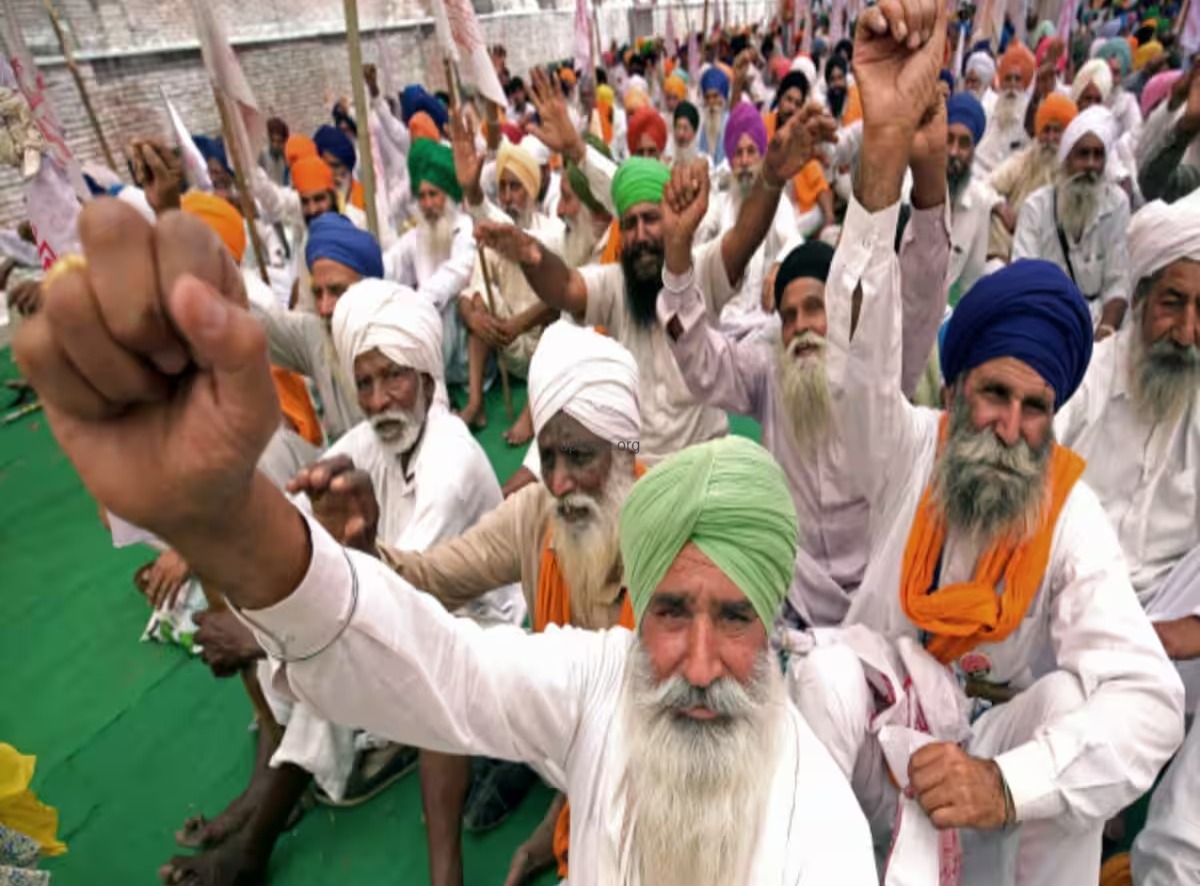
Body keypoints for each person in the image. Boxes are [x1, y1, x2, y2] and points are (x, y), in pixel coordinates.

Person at [14, 214, 883, 882]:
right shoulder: (599, 678)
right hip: (539, 721)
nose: (696, 663)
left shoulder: (826, 835)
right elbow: (438, 656)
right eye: (670, 611)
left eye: (734, 618)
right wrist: (222, 518)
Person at [785, 7, 1184, 882]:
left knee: (1072, 700)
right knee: (823, 676)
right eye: (994, 395)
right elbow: (856, 363)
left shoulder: (1066, 512)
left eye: (1035, 407)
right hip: (881, 743)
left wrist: (1005, 783)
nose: (1010, 426)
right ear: (957, 387)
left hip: (983, 761)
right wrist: (883, 147)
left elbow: (1152, 701)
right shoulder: (907, 448)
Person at [658, 96, 950, 626]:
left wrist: (929, 173)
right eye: (789, 315)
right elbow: (699, 360)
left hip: (880, 593)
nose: (801, 327)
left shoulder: (878, 372)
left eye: (815, 308)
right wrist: (677, 255)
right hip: (793, 595)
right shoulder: (770, 374)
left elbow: (923, 290)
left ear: (841, 314)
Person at [476, 73, 836, 465]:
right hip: (638, 457)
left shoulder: (702, 268)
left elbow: (745, 236)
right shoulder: (616, 283)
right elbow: (565, 287)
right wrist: (532, 257)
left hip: (705, 454)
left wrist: (771, 178)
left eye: (650, 219)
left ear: (671, 220)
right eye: (630, 224)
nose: (640, 234)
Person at [302, 280, 525, 886]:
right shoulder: (374, 439)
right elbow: (319, 501)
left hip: (479, 620)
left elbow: (403, 590)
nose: (378, 400)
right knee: (289, 624)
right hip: (398, 596)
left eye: (393, 377)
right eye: (365, 384)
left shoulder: (451, 461)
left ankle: (444, 871)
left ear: (427, 376)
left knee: (429, 662)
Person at [1054, 191, 1200, 700]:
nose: (1187, 332)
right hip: (1069, 609)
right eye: (1173, 303)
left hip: (1167, 621)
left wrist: (1177, 632)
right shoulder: (1084, 378)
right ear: (1139, 300)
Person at [451, 127, 562, 442]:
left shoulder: (552, 233)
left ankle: (533, 409)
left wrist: (519, 325)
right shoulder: (493, 240)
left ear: (532, 189)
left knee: (561, 316)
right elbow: (468, 292)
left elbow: (556, 300)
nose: (509, 196)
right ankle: (475, 403)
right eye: (503, 187)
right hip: (506, 342)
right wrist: (474, 316)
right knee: (478, 301)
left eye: (516, 186)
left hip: (544, 350)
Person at [252, 212, 384, 441]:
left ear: (371, 289)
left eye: (337, 291)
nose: (324, 308)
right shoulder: (318, 334)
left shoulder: (404, 343)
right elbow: (252, 324)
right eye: (317, 293)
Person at [1012, 105, 1131, 335]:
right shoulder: (1036, 207)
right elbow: (1023, 276)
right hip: (1044, 318)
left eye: (1098, 155)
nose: (1090, 165)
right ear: (1066, 158)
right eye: (1083, 154)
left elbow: (1118, 283)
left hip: (1098, 322)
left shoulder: (1117, 205)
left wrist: (1106, 330)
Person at [694, 101, 799, 340]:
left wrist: (778, 265)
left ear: (761, 157)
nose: (744, 161)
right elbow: (700, 246)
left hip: (760, 322)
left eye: (751, 152)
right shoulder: (720, 203)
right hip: (721, 323)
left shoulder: (777, 202)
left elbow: (793, 239)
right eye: (738, 153)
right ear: (730, 161)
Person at [383, 137, 476, 389]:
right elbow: (390, 265)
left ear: (448, 195)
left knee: (445, 306)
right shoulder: (418, 235)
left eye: (433, 195)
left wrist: (418, 303)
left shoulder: (466, 229)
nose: (427, 204)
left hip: (462, 344)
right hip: (425, 329)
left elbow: (455, 274)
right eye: (422, 196)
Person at [987, 93, 1078, 265]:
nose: (1050, 139)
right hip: (1014, 247)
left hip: (1056, 255)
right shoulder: (1024, 161)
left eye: (1057, 131)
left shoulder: (1075, 170)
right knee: (991, 217)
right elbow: (985, 186)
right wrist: (1000, 206)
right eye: (1046, 130)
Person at [945, 92, 996, 302]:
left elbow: (970, 281)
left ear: (974, 150)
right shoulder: (911, 187)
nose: (954, 152)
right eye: (949, 139)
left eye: (964, 143)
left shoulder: (979, 202)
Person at [974, 44, 1034, 177]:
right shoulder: (989, 107)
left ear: (1024, 84)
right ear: (1001, 82)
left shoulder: (1029, 117)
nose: (1012, 85)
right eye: (1008, 78)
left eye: (1017, 79)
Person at [697, 66, 731, 164]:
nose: (711, 102)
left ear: (724, 97)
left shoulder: (731, 122)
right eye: (707, 97)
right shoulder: (704, 125)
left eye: (715, 96)